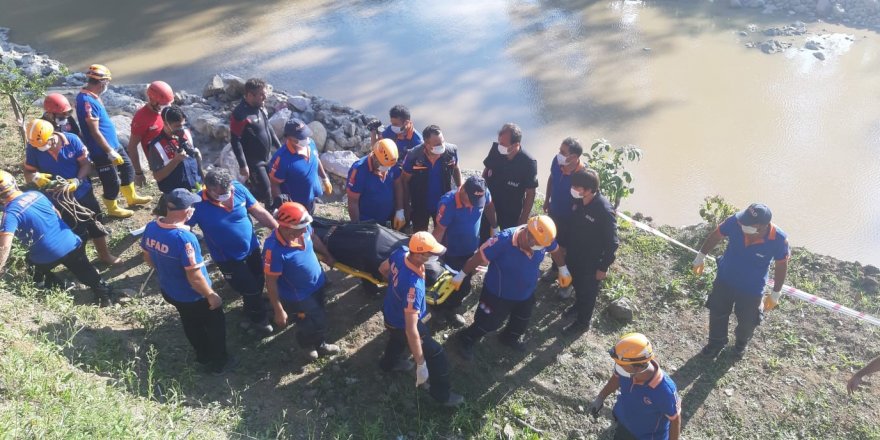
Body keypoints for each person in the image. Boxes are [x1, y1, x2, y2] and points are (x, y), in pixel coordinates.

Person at [141, 189, 235, 375]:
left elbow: (148, 257)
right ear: (185, 211)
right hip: (194, 296)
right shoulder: (184, 239)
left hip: (170, 290)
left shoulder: (152, 227)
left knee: (190, 323)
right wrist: (211, 295)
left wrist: (165, 271)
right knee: (214, 325)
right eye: (192, 206)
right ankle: (219, 362)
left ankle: (202, 356)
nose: (193, 209)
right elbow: (194, 276)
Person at [452, 215, 570, 360]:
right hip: (498, 293)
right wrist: (461, 275)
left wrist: (563, 269)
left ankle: (509, 338)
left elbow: (556, 250)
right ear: (528, 234)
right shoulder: (502, 241)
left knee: (521, 320)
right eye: (538, 245)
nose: (540, 248)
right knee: (488, 323)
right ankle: (466, 339)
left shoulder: (543, 238)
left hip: (526, 292)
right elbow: (478, 257)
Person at [0, 170, 121, 306]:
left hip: (46, 256)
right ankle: (105, 294)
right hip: (72, 243)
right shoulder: (36, 194)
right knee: (85, 270)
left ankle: (52, 285)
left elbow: (4, 246)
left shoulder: (10, 214)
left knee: (32, 265)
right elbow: (57, 213)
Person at [377, 231, 464, 406]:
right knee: (436, 353)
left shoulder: (401, 252)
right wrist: (420, 362)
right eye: (430, 254)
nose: (434, 257)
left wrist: (395, 287)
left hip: (390, 311)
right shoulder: (413, 287)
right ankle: (442, 396)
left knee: (396, 339)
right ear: (418, 254)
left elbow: (382, 269)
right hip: (402, 322)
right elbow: (411, 330)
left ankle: (388, 364)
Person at [692, 203, 789, 358]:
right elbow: (717, 235)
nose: (743, 227)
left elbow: (781, 265)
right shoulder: (736, 221)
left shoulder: (778, 239)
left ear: (762, 227)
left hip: (752, 289)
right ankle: (716, 343)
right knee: (717, 312)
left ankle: (740, 344)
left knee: (748, 321)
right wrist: (700, 256)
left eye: (749, 226)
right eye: (743, 223)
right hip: (725, 279)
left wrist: (775, 293)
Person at [188, 168, 278, 335]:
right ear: (208, 188)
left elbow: (259, 211)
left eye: (228, 191)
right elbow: (185, 227)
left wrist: (278, 230)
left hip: (251, 248)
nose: (227, 195)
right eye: (221, 194)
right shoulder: (198, 203)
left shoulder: (238, 188)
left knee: (258, 279)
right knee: (247, 287)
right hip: (228, 258)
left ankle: (252, 304)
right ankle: (259, 321)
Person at [23, 119, 119, 265]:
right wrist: (36, 177)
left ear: (52, 136)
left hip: (82, 192)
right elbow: (28, 173)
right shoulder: (33, 148)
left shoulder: (72, 140)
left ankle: (104, 255)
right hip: (58, 198)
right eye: (39, 146)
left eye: (45, 144)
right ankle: (81, 262)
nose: (43, 148)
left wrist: (77, 181)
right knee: (73, 230)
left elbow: (86, 164)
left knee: (95, 222)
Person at [263, 202, 340, 361]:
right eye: (301, 228)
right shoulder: (273, 250)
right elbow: (270, 282)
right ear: (286, 227)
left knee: (318, 316)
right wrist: (278, 310)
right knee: (310, 322)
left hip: (317, 285)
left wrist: (327, 254)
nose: (306, 230)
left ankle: (320, 342)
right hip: (298, 297)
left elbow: (313, 237)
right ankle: (307, 345)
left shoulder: (302, 230)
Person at [75, 64, 151, 218]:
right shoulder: (86, 101)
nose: (107, 85)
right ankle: (112, 207)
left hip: (114, 144)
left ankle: (131, 197)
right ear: (102, 82)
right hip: (102, 150)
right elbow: (94, 131)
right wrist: (109, 151)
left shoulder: (93, 96)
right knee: (111, 181)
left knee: (128, 168)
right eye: (107, 82)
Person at [431, 176, 499, 327]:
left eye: (477, 203)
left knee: (464, 284)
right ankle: (437, 309)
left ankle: (452, 308)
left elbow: (489, 206)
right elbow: (439, 230)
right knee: (445, 283)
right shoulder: (447, 203)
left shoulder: (482, 194)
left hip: (470, 249)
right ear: (463, 191)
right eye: (472, 202)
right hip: (451, 252)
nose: (474, 206)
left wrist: (494, 226)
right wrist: (432, 256)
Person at [559, 169, 619, 335]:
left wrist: (603, 267)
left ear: (589, 189)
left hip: (591, 262)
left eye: (577, 187)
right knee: (577, 285)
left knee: (588, 292)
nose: (573, 189)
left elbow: (612, 243)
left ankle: (583, 323)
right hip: (574, 254)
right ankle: (578, 306)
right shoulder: (578, 200)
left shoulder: (604, 210)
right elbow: (570, 225)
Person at [590, 333, 681, 440]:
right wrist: (601, 397)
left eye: (621, 365)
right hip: (622, 422)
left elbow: (675, 419)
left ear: (637, 368)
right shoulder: (626, 370)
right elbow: (616, 378)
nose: (618, 367)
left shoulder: (665, 391)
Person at [480, 123, 538, 241]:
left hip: (511, 210)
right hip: (490, 206)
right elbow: (485, 172)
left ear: (516, 145)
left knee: (509, 242)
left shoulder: (528, 163)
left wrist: (522, 220)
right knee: (484, 240)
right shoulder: (496, 151)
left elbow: (530, 193)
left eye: (503, 144)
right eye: (499, 142)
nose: (499, 146)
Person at [230, 78, 282, 206]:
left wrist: (280, 148)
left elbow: (268, 127)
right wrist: (243, 165)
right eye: (261, 94)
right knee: (266, 191)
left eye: (265, 94)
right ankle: (268, 214)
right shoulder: (240, 114)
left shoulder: (260, 107)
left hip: (267, 157)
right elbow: (235, 140)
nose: (265, 97)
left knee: (271, 186)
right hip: (254, 162)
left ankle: (252, 201)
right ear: (249, 95)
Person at [401, 125, 462, 232]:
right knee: (420, 236)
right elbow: (404, 180)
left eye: (442, 142)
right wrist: (406, 205)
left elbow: (456, 168)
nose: (442, 146)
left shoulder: (451, 152)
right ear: (426, 144)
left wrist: (459, 188)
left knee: (443, 236)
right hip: (420, 204)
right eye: (437, 144)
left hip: (443, 204)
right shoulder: (413, 156)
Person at [268, 118, 331, 212]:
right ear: (289, 138)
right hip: (295, 205)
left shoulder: (311, 144)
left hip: (311, 197)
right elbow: (275, 184)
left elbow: (316, 159)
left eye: (306, 136)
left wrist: (325, 178)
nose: (306, 139)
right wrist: (284, 207)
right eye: (301, 137)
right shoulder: (282, 158)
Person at [346, 138, 404, 228]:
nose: (387, 168)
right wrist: (356, 226)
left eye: (389, 166)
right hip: (366, 223)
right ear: (375, 157)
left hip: (387, 221)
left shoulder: (391, 162)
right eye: (384, 165)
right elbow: (353, 201)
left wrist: (399, 210)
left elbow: (398, 184)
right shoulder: (359, 170)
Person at [147, 106, 203, 194]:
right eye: (177, 126)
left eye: (182, 125)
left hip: (196, 186)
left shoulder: (186, 133)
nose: (181, 129)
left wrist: (198, 159)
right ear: (166, 124)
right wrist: (175, 161)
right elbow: (157, 176)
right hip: (176, 193)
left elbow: (194, 159)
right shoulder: (156, 146)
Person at [129, 81, 174, 187]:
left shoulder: (167, 111)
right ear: (152, 100)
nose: (166, 107)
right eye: (163, 105)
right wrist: (138, 172)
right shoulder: (141, 118)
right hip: (159, 163)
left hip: (173, 156)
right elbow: (132, 146)